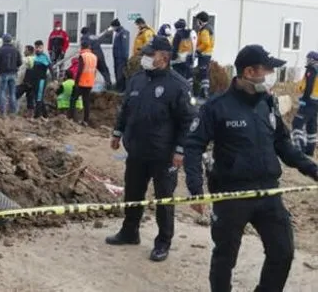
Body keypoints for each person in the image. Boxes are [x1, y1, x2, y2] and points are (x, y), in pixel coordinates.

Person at [184, 44, 318, 292]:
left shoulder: (267, 104)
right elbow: (193, 146)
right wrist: (195, 188)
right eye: (265, 72)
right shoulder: (216, 107)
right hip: (231, 194)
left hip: (268, 192)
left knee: (283, 252)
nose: (268, 79)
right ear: (248, 72)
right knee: (225, 257)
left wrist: (312, 169)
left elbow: (283, 144)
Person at [107, 36, 195, 262]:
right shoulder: (137, 80)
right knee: (133, 193)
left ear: (164, 58)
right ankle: (129, 232)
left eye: (150, 54)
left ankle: (163, 242)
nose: (145, 58)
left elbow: (187, 122)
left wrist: (180, 150)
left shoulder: (178, 86)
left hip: (163, 155)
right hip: (136, 150)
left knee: (164, 199)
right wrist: (118, 133)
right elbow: (126, 109)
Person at [292, 51, 318, 156]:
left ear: (312, 60)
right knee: (311, 125)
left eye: (308, 59)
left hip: (308, 102)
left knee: (297, 123)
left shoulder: (311, 70)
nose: (307, 61)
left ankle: (299, 149)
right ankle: (309, 150)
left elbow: (309, 87)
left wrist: (304, 98)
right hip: (316, 103)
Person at [0, 33, 22, 116]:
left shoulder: (0, 50)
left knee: (2, 92)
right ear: (11, 40)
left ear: (3, 40)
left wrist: (1, 66)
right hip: (13, 74)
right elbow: (20, 62)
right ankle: (13, 111)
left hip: (3, 74)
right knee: (12, 93)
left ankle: (3, 112)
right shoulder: (15, 50)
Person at [70, 39, 97, 125]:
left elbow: (79, 70)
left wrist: (76, 82)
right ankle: (86, 120)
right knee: (86, 101)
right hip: (90, 82)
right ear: (89, 47)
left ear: (82, 47)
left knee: (73, 99)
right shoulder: (94, 56)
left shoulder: (83, 56)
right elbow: (95, 70)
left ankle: (71, 118)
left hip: (81, 82)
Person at [195, 11, 215, 99]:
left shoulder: (204, 30)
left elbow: (205, 43)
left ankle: (204, 92)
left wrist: (197, 51)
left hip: (204, 54)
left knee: (203, 73)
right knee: (203, 73)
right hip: (207, 53)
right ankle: (203, 91)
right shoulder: (208, 28)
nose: (196, 23)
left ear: (200, 21)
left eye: (197, 21)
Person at [171, 18, 194, 87]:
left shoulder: (178, 35)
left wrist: (172, 58)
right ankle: (190, 88)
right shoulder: (190, 33)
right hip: (188, 58)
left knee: (178, 75)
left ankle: (180, 89)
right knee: (187, 75)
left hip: (179, 59)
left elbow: (175, 47)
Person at [32, 40, 52, 118]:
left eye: (39, 48)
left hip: (41, 80)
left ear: (42, 48)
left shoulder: (45, 57)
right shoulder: (34, 57)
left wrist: (54, 79)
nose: (37, 49)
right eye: (36, 47)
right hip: (34, 80)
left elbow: (50, 68)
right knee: (37, 97)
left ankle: (37, 116)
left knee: (39, 98)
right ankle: (45, 115)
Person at [16, 45, 36, 117]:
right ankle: (30, 114)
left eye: (26, 50)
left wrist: (18, 82)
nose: (24, 51)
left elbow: (22, 72)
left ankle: (12, 111)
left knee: (15, 95)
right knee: (30, 98)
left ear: (29, 51)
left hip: (24, 82)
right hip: (33, 82)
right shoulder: (36, 59)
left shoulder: (26, 60)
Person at [110, 19, 130, 92]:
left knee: (120, 73)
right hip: (117, 57)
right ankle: (118, 86)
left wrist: (125, 57)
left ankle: (121, 88)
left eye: (113, 27)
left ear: (116, 26)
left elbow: (125, 46)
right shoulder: (118, 33)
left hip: (121, 58)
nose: (112, 28)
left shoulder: (124, 33)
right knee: (117, 72)